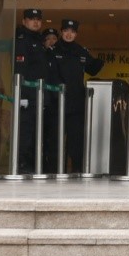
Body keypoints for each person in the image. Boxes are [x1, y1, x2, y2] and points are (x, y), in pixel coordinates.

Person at [50, 18, 105, 174]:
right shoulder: (53, 51)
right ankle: (55, 171)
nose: (69, 34)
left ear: (76, 34)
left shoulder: (80, 51)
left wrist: (100, 60)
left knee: (76, 141)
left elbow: (92, 69)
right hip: (57, 103)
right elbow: (49, 76)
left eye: (72, 32)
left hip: (76, 104)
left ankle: (76, 170)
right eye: (66, 31)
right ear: (61, 32)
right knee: (55, 141)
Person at [13, 8, 48, 173]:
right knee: (25, 132)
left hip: (38, 95)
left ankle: (32, 165)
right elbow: (20, 69)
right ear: (24, 21)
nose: (35, 22)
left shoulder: (38, 41)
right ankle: (22, 165)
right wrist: (22, 94)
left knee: (35, 132)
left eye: (38, 19)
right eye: (32, 19)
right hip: (27, 96)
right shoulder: (22, 40)